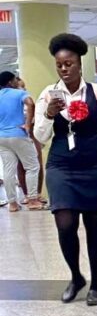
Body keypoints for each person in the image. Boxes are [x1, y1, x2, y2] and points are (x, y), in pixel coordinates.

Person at [34, 34, 97, 305]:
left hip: (96, 164)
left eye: (69, 64)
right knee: (65, 223)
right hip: (61, 165)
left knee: (94, 224)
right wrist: (49, 114)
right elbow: (40, 138)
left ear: (79, 64)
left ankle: (95, 284)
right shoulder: (47, 95)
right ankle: (76, 277)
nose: (64, 69)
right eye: (59, 65)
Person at [0, 71, 44, 211]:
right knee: (32, 166)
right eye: (14, 80)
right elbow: (30, 103)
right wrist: (28, 124)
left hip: (2, 137)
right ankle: (32, 199)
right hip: (18, 134)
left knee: (8, 170)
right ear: (9, 82)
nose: (16, 82)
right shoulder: (18, 93)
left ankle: (12, 203)